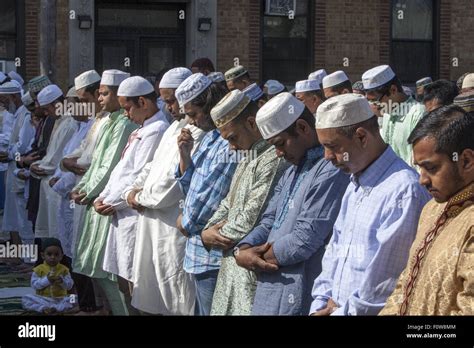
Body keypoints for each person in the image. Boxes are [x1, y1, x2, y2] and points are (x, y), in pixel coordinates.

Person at [309, 94, 431, 316]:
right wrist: (319, 301)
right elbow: (334, 252)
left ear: (362, 137)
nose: (327, 157)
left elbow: (384, 287)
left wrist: (339, 313)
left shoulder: (404, 191)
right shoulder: (355, 182)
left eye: (333, 146)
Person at [234, 93, 349, 315]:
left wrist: (254, 258)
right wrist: (243, 249)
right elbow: (269, 221)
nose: (278, 154)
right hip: (271, 286)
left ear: (303, 128)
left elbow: (304, 239)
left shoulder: (330, 170)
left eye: (279, 144)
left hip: (301, 286)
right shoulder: (291, 171)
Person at [380, 105, 474, 315]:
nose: (422, 179)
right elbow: (405, 284)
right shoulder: (431, 209)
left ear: (466, 160)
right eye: (419, 168)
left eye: (431, 168)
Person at [127, 67, 205, 315]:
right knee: (153, 297)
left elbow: (173, 185)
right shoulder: (173, 128)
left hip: (172, 225)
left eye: (172, 100)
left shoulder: (198, 132)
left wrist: (140, 197)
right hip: (151, 223)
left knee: (176, 299)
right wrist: (134, 189)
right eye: (166, 100)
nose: (168, 106)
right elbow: (152, 165)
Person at [205, 90, 289, 315]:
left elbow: (249, 220)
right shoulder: (248, 156)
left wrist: (213, 236)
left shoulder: (272, 158)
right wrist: (206, 230)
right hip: (229, 267)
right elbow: (227, 204)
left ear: (252, 123)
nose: (231, 147)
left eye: (233, 138)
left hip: (249, 268)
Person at [98, 76, 169, 313]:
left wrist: (112, 202)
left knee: (136, 282)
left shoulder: (157, 130)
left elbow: (139, 175)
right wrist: (104, 196)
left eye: (128, 108)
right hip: (120, 212)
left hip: (133, 214)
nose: (126, 114)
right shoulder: (143, 128)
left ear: (143, 102)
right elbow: (121, 169)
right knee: (122, 276)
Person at [71, 72, 138, 316]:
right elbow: (96, 162)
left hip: (109, 204)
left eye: (104, 93)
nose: (99, 98)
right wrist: (83, 188)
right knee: (97, 269)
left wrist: (89, 191)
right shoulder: (109, 121)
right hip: (96, 201)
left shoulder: (125, 123)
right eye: (99, 92)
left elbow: (110, 167)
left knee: (110, 272)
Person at [174, 73, 237, 315]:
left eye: (193, 114)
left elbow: (203, 204)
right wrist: (184, 156)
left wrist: (185, 221)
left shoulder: (226, 143)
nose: (190, 122)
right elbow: (190, 188)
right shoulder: (211, 137)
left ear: (210, 106)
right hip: (199, 253)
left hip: (212, 256)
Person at [31, 85, 78, 240]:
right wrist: (36, 165)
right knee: (50, 231)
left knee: (59, 233)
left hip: (57, 184)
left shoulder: (70, 124)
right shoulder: (59, 121)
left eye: (47, 109)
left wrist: (38, 166)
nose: (46, 113)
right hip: (48, 183)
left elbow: (56, 160)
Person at [362, 65, 425, 166]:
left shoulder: (418, 113)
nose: (374, 106)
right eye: (369, 101)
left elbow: (419, 161)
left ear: (393, 90)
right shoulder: (387, 115)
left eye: (375, 100)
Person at [22, 238, 75, 314]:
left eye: (56, 254)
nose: (53, 257)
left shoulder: (64, 270)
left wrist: (62, 281)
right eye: (49, 254)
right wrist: (47, 280)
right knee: (26, 298)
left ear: (61, 256)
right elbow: (34, 285)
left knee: (73, 298)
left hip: (60, 298)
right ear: (43, 255)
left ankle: (55, 309)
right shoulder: (38, 269)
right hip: (43, 299)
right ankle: (44, 309)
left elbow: (69, 286)